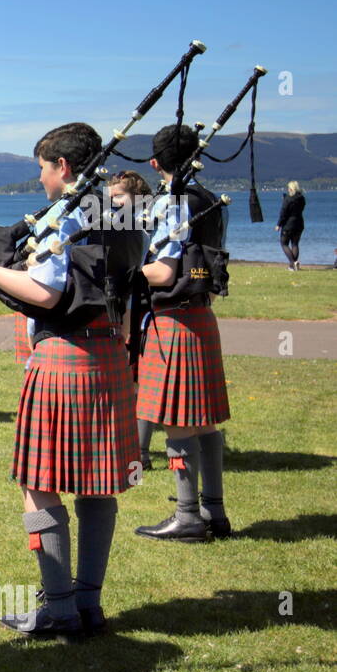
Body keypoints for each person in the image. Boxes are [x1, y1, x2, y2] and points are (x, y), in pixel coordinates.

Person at [0, 122, 140, 640]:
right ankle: (89, 605)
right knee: (97, 484)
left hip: (64, 356)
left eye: (42, 169)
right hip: (111, 352)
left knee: (40, 486)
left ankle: (60, 609)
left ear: (62, 168)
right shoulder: (123, 213)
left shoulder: (65, 216)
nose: (41, 179)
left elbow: (44, 293)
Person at [133, 124, 232, 542]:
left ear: (155, 163)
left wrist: (120, 274)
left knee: (176, 423)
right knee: (205, 422)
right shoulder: (210, 200)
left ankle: (188, 515)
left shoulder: (174, 202)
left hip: (174, 318)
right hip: (202, 315)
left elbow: (162, 270)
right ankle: (215, 512)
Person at [108, 170, 161, 470]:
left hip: (140, 311)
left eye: (118, 197)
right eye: (109, 197)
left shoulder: (144, 230)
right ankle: (129, 446)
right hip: (125, 308)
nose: (112, 203)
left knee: (139, 382)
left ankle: (138, 451)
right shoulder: (119, 227)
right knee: (128, 381)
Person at [275, 181, 305, 271]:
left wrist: (278, 224)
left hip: (288, 224)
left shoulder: (288, 199)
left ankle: (292, 263)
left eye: (288, 188)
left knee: (284, 243)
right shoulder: (302, 198)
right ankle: (294, 264)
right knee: (295, 244)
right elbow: (300, 207)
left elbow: (283, 213)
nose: (288, 190)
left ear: (291, 189)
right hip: (299, 223)